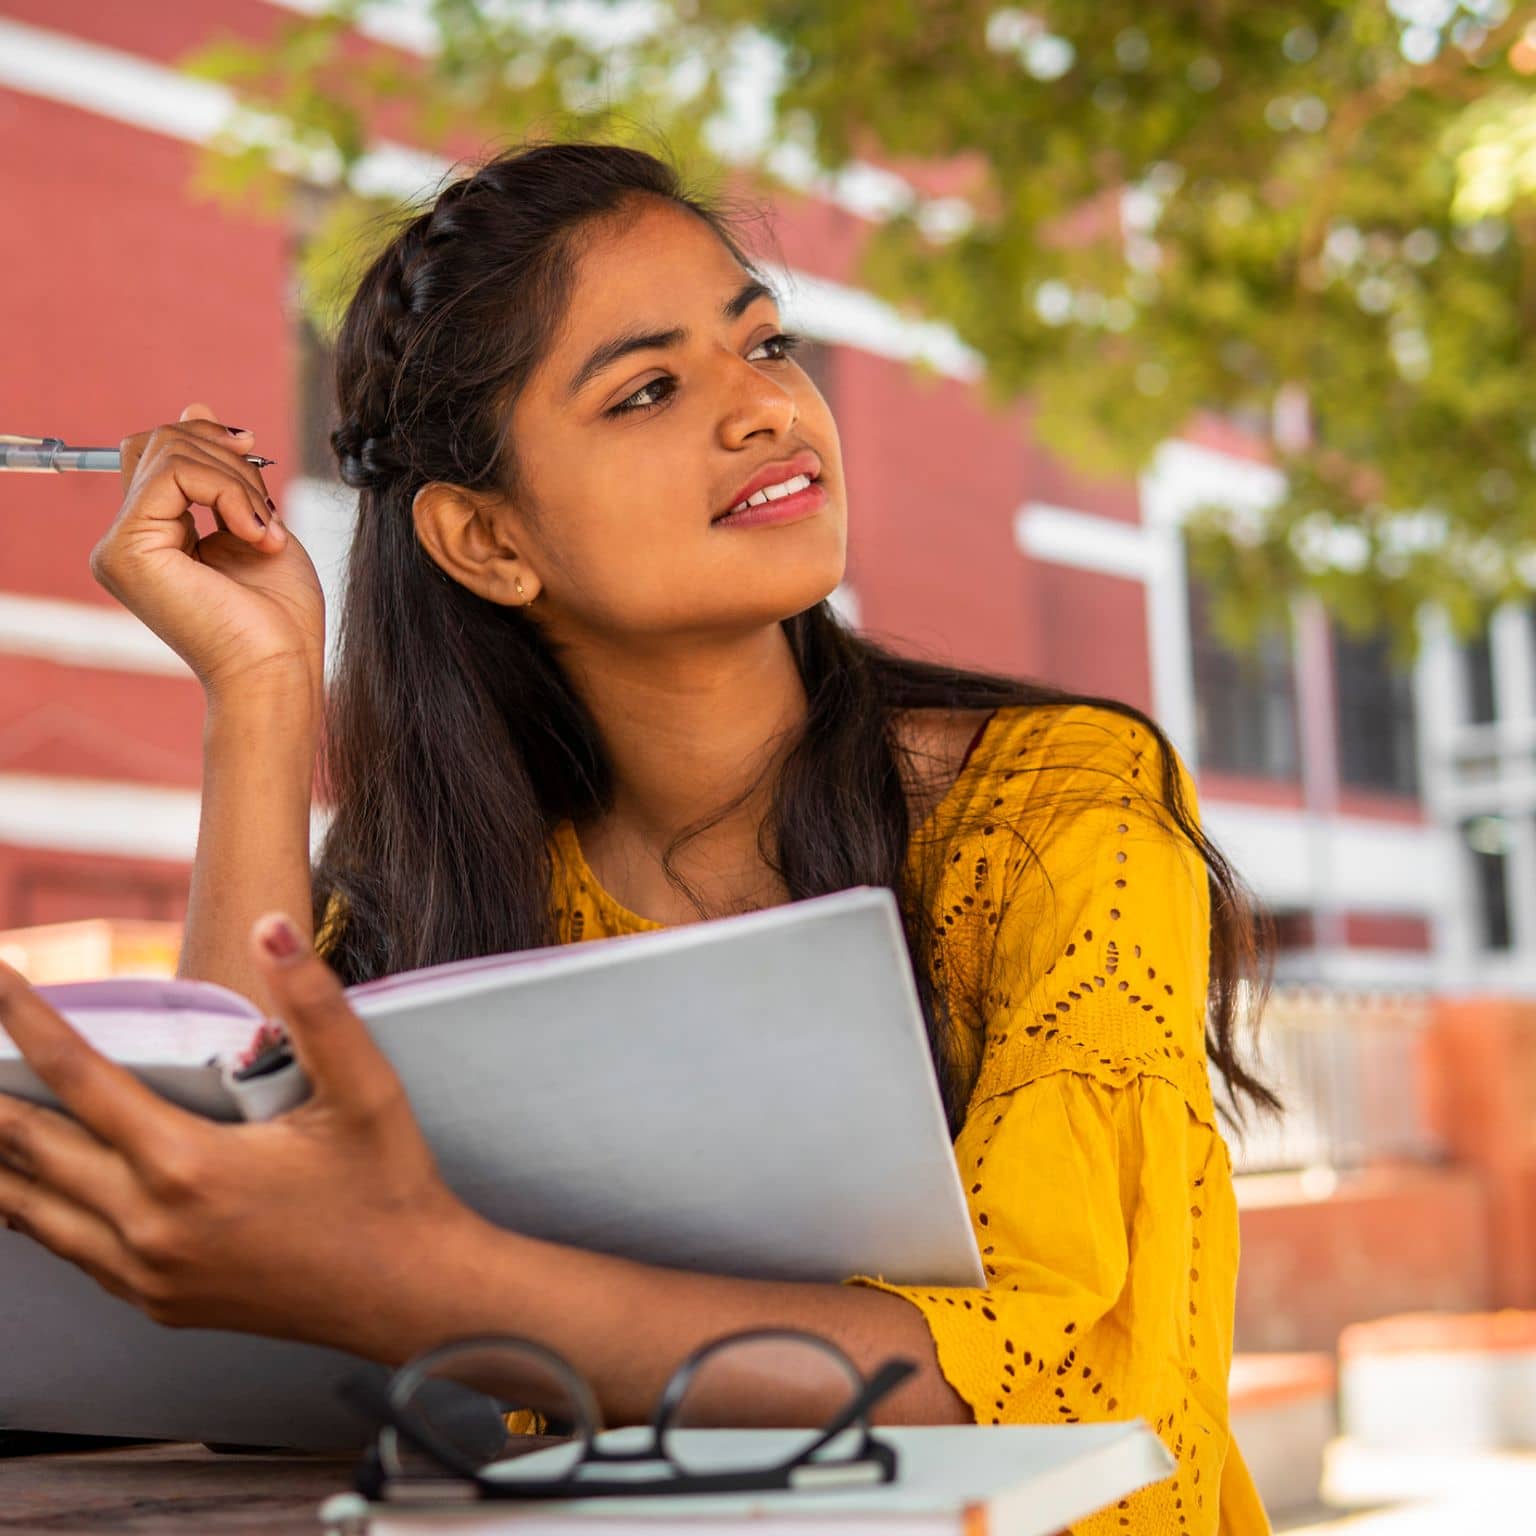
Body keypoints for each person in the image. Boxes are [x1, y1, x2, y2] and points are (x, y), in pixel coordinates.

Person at [0, 141, 1275, 1533]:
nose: (766, 406)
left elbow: (1059, 1374)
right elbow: (226, 1252)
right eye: (649, 389)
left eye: (765, 342)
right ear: (487, 542)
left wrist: (428, 1283)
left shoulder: (1059, 808)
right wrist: (259, 690)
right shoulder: (461, 890)